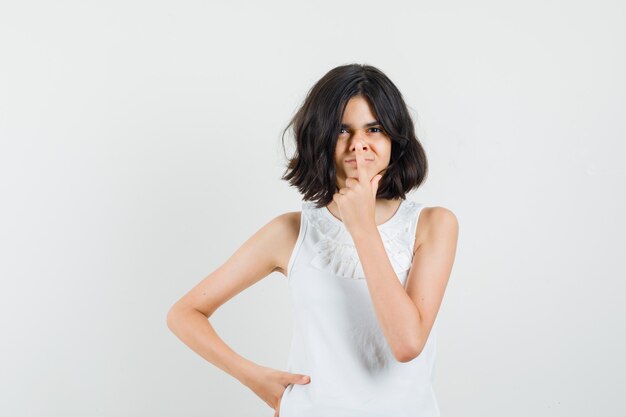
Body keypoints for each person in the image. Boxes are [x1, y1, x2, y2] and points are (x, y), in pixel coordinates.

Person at [167, 63, 459, 417]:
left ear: (394, 139)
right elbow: (185, 314)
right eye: (341, 130)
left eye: (374, 128)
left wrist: (362, 227)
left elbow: (407, 343)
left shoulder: (433, 225)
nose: (358, 144)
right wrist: (254, 377)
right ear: (320, 137)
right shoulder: (289, 231)